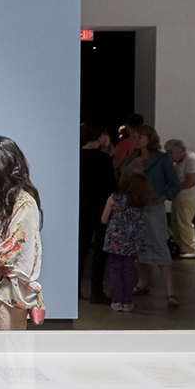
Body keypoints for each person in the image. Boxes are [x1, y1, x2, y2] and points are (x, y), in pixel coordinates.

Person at [0, 136, 45, 331]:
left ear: (4, 162)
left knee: (4, 350)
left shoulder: (24, 202)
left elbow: (12, 248)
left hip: (6, 289)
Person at [122, 125, 181, 307]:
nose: (137, 139)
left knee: (159, 246)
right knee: (139, 248)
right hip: (136, 208)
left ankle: (170, 291)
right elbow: (123, 183)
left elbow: (174, 184)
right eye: (135, 137)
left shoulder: (162, 159)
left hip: (154, 207)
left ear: (150, 138)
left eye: (141, 136)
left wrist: (162, 197)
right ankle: (142, 282)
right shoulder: (132, 158)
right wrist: (130, 167)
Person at [101, 173, 151, 313]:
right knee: (129, 270)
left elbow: (104, 220)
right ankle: (127, 301)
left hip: (115, 240)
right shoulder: (141, 201)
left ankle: (116, 300)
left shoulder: (113, 199)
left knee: (115, 269)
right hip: (133, 241)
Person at [79, 122, 115, 304]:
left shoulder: (77, 157)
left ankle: (75, 289)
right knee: (100, 251)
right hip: (101, 209)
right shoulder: (104, 159)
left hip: (81, 208)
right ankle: (96, 291)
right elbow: (111, 188)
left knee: (81, 248)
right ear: (100, 135)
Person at [165, 138, 195, 259]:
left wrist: (173, 189)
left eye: (170, 152)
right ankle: (181, 247)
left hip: (188, 196)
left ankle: (191, 249)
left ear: (178, 150)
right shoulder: (182, 161)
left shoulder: (191, 160)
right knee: (177, 222)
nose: (169, 155)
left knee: (183, 223)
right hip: (181, 196)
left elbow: (192, 181)